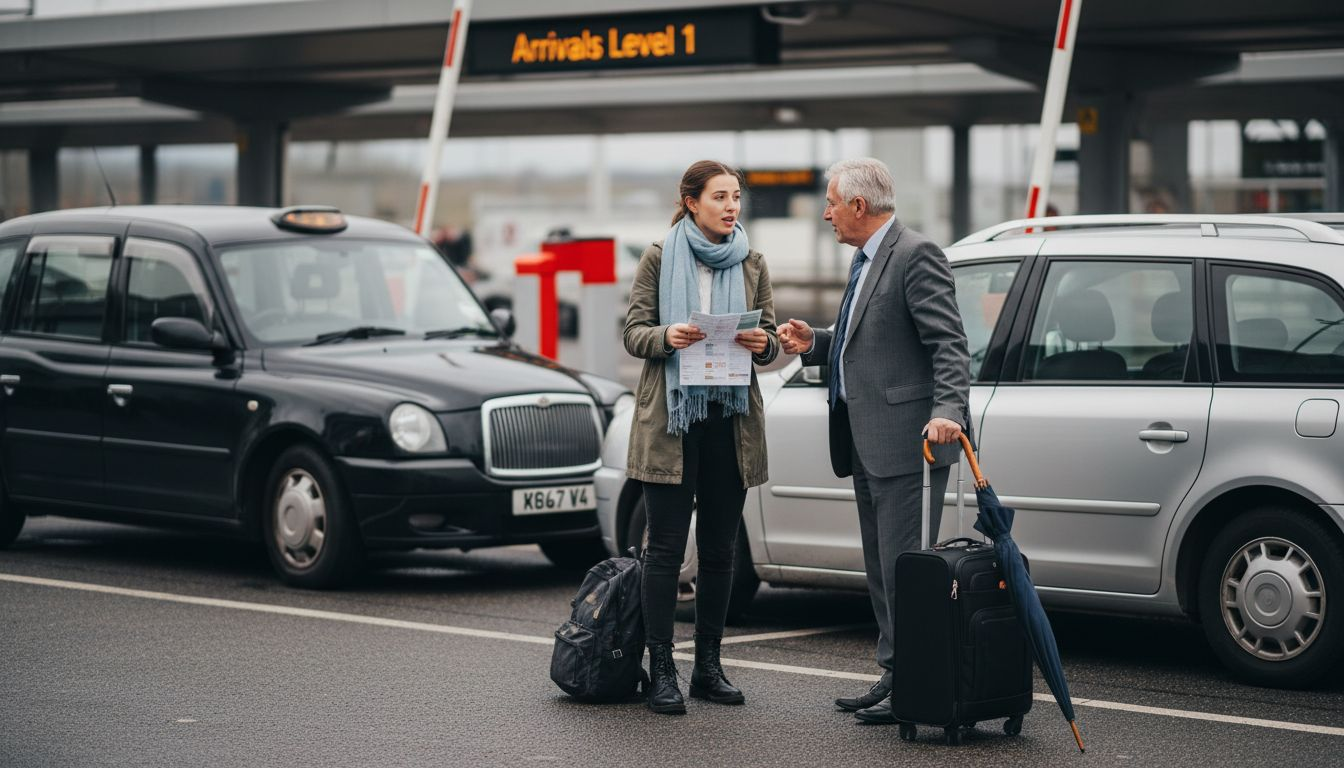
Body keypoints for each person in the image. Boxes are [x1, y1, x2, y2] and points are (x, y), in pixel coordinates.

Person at [777, 158, 971, 725]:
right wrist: (814, 342)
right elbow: (866, 339)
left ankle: (913, 682)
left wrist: (948, 412)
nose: (827, 213)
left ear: (859, 206)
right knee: (884, 571)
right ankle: (897, 675)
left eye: (832, 202)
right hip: (866, 443)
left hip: (912, 445)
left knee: (906, 572)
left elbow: (950, 346)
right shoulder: (867, 259)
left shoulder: (915, 255)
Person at [624, 160, 779, 715]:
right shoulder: (661, 257)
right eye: (719, 196)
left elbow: (772, 343)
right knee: (664, 550)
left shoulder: (753, 261)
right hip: (673, 419)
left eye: (736, 196)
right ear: (691, 202)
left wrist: (764, 344)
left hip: (729, 420)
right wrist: (668, 335)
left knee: (720, 549)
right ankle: (661, 668)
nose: (731, 206)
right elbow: (633, 333)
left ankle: (708, 667)